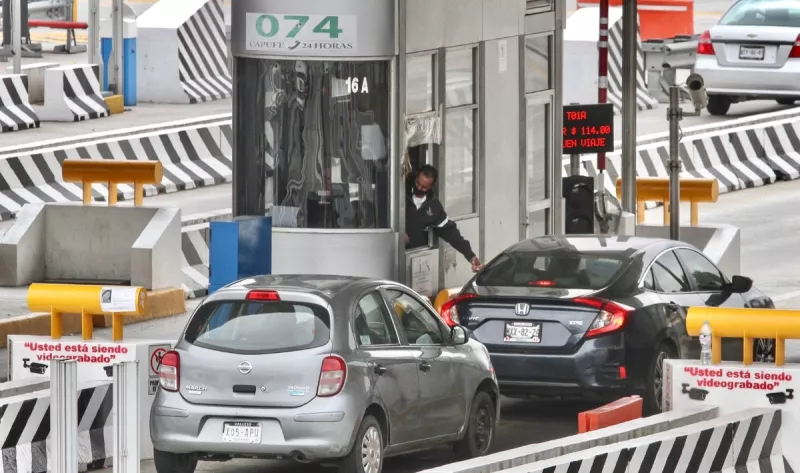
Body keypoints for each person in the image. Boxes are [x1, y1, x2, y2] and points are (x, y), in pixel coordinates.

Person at [404, 165, 482, 272]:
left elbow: (450, 233)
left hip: (414, 256)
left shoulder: (434, 207)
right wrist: (400, 233)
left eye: (424, 187)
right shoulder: (400, 194)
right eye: (418, 183)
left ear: (432, 186)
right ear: (416, 177)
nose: (419, 188)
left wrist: (470, 256)